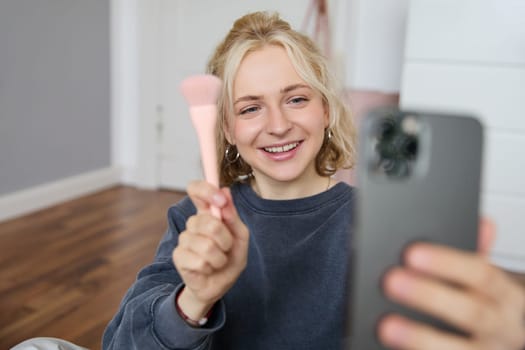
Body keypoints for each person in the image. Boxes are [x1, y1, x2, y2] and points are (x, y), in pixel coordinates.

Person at [102, 11, 525, 349]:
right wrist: (193, 300)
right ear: (227, 129)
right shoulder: (194, 220)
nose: (279, 125)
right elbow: (122, 344)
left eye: (297, 99)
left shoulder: (374, 222)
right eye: (250, 109)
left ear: (325, 110)